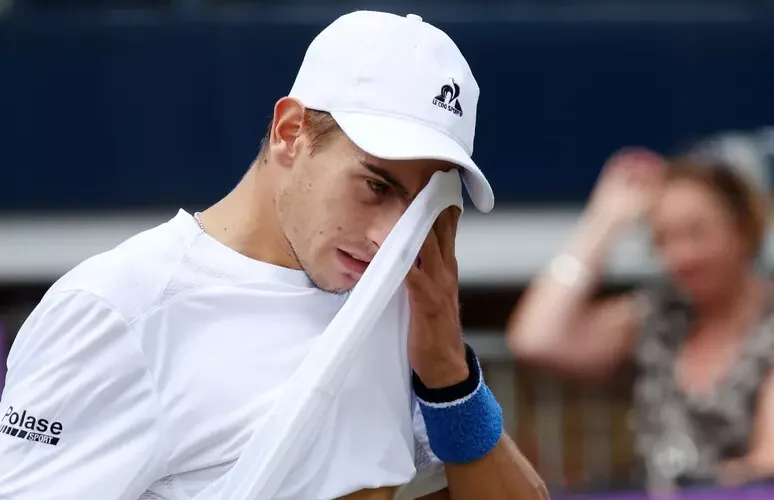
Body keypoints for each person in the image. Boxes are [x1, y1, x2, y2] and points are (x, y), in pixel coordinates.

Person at [0, 10, 547, 500]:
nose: (391, 238)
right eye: (376, 186)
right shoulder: (114, 312)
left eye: (420, 206)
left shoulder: (393, 306)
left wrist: (449, 375)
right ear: (290, 132)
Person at [507, 147, 774, 492]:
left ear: (743, 228)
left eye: (697, 232)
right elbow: (534, 339)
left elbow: (766, 463)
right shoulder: (658, 317)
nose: (682, 256)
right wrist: (603, 223)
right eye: (665, 239)